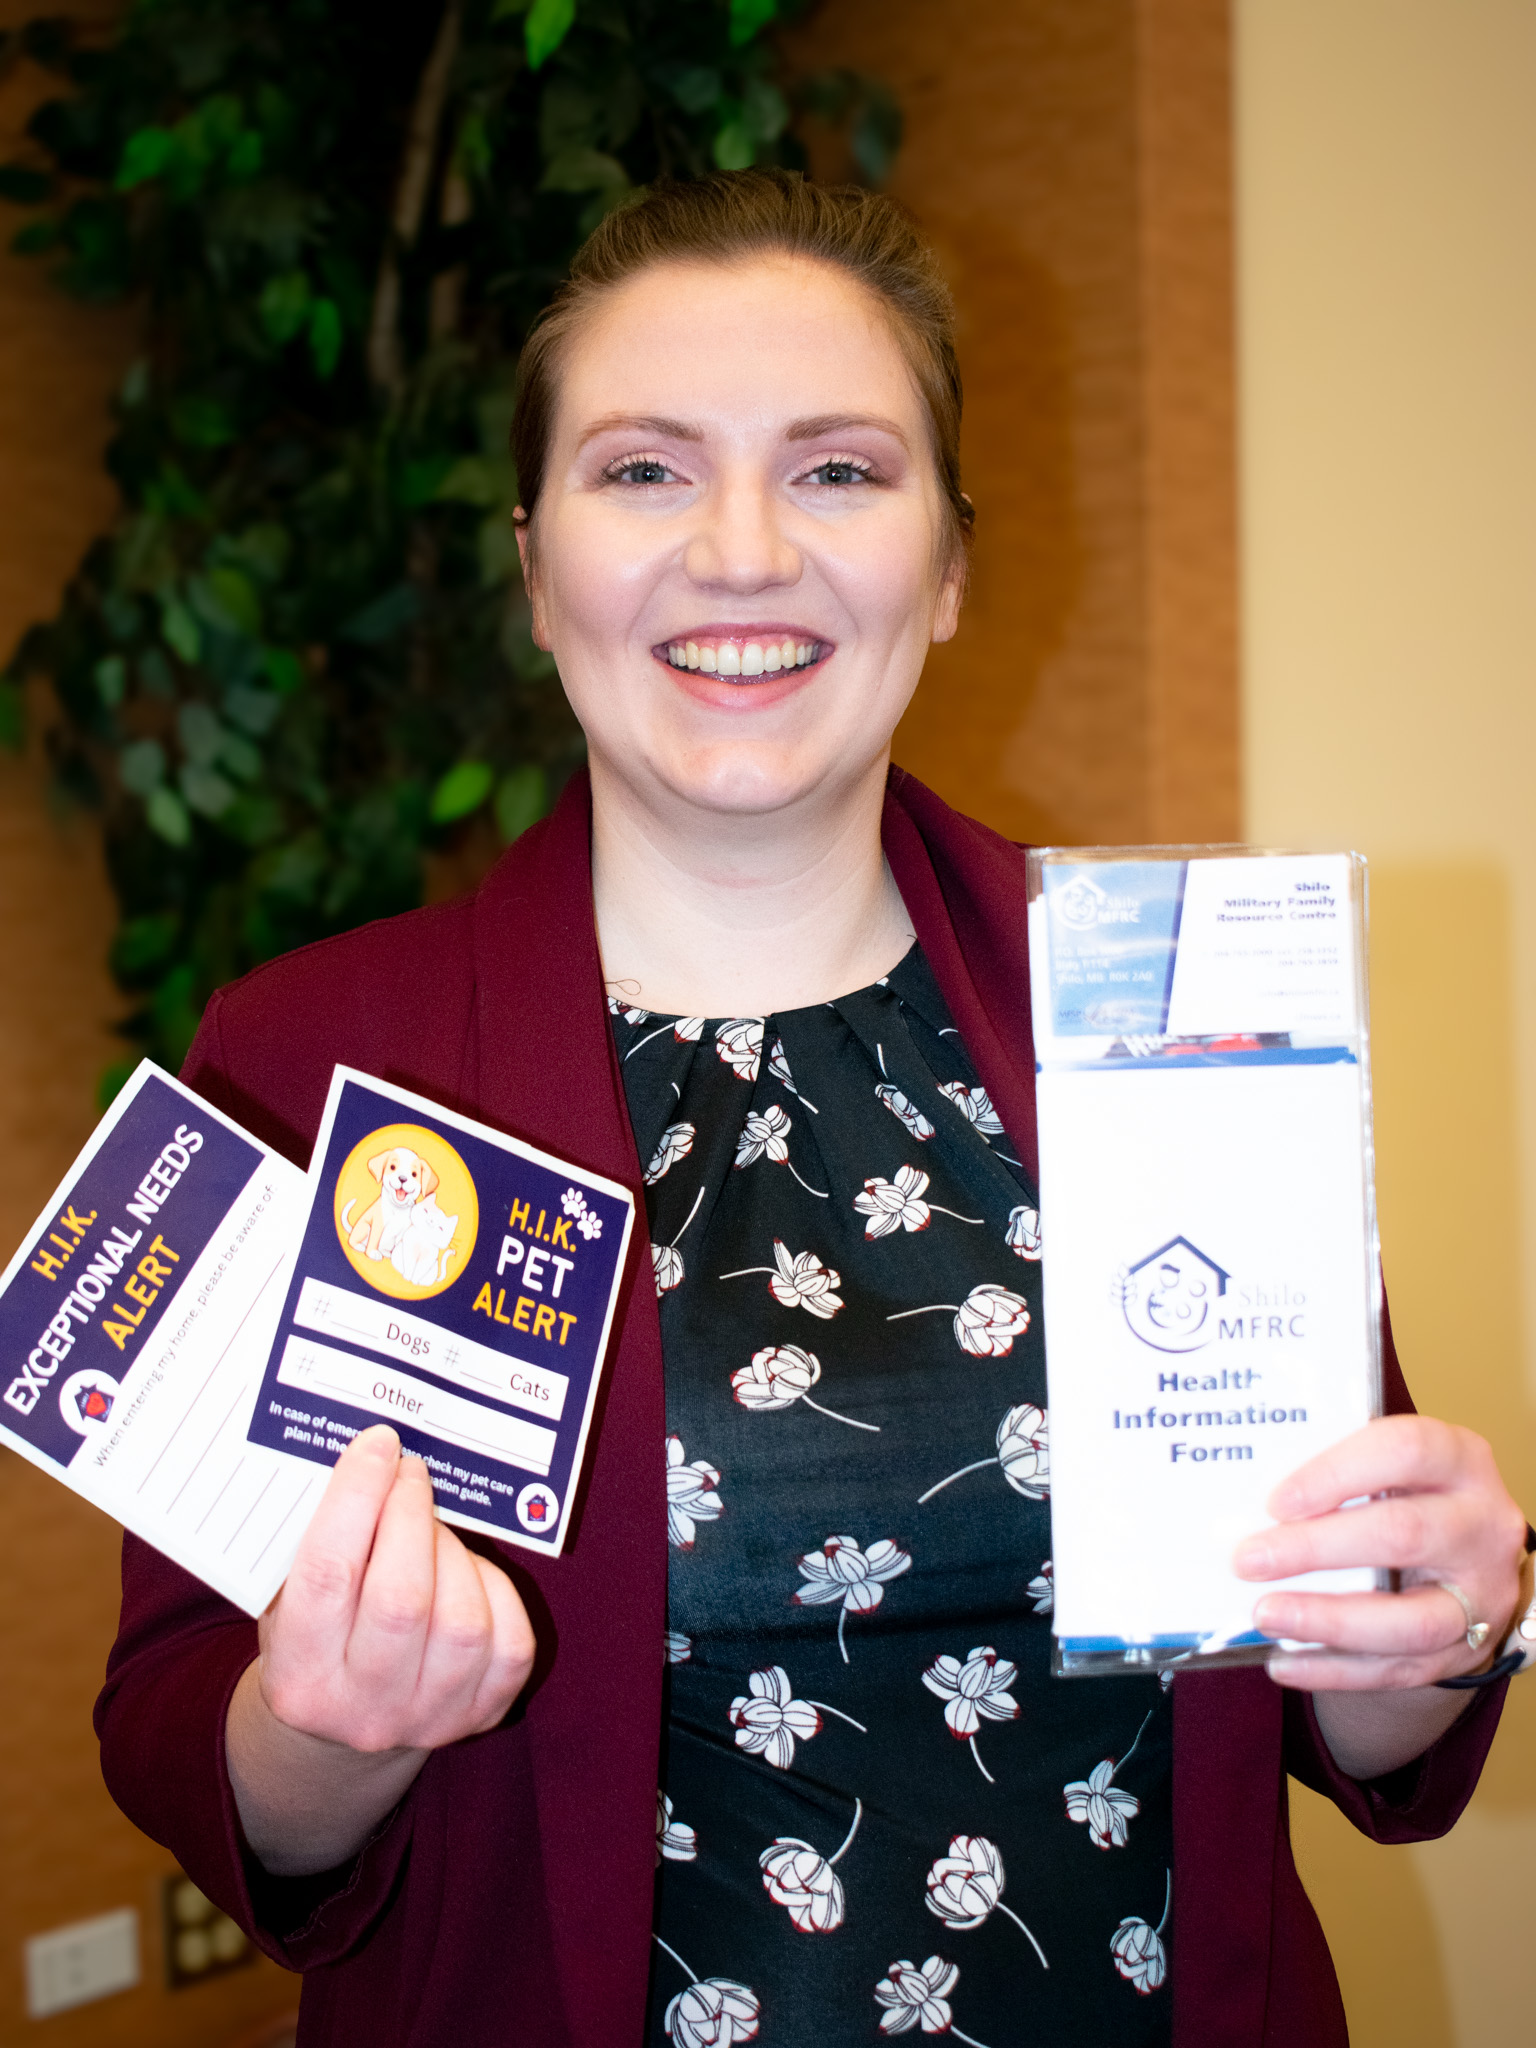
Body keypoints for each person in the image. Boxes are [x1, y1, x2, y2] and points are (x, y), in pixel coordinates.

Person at [96, 170, 1529, 2048]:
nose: (747, 550)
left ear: (945, 565)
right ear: (534, 563)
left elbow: (1349, 1707)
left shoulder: (1161, 999)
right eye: (645, 470)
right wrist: (321, 1726)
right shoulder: (325, 1055)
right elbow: (184, 1734)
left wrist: (1436, 1620)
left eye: (839, 470)